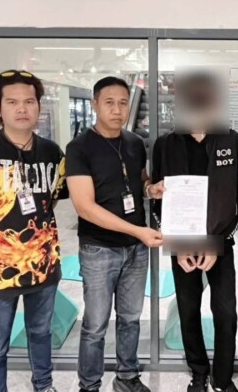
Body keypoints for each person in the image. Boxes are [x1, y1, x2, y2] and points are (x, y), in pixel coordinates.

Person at [0, 70, 69, 392]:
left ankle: (43, 386)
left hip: (42, 265)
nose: (22, 108)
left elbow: (51, 200)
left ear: (38, 106)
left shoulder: (52, 153)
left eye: (29, 101)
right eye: (12, 102)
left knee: (41, 333)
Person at [147, 71, 238, 392]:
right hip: (182, 243)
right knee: (188, 310)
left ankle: (223, 377)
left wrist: (216, 243)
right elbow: (156, 198)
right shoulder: (165, 145)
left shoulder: (231, 141)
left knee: (226, 312)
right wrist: (177, 244)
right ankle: (199, 372)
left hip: (220, 242)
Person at [66, 76, 162, 392]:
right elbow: (85, 207)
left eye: (123, 103)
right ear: (95, 104)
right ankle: (89, 385)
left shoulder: (134, 142)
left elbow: (140, 180)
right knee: (95, 325)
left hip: (136, 249)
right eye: (109, 102)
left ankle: (127, 377)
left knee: (131, 318)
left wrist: (150, 189)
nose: (117, 110)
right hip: (99, 250)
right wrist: (138, 230)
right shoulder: (79, 148)